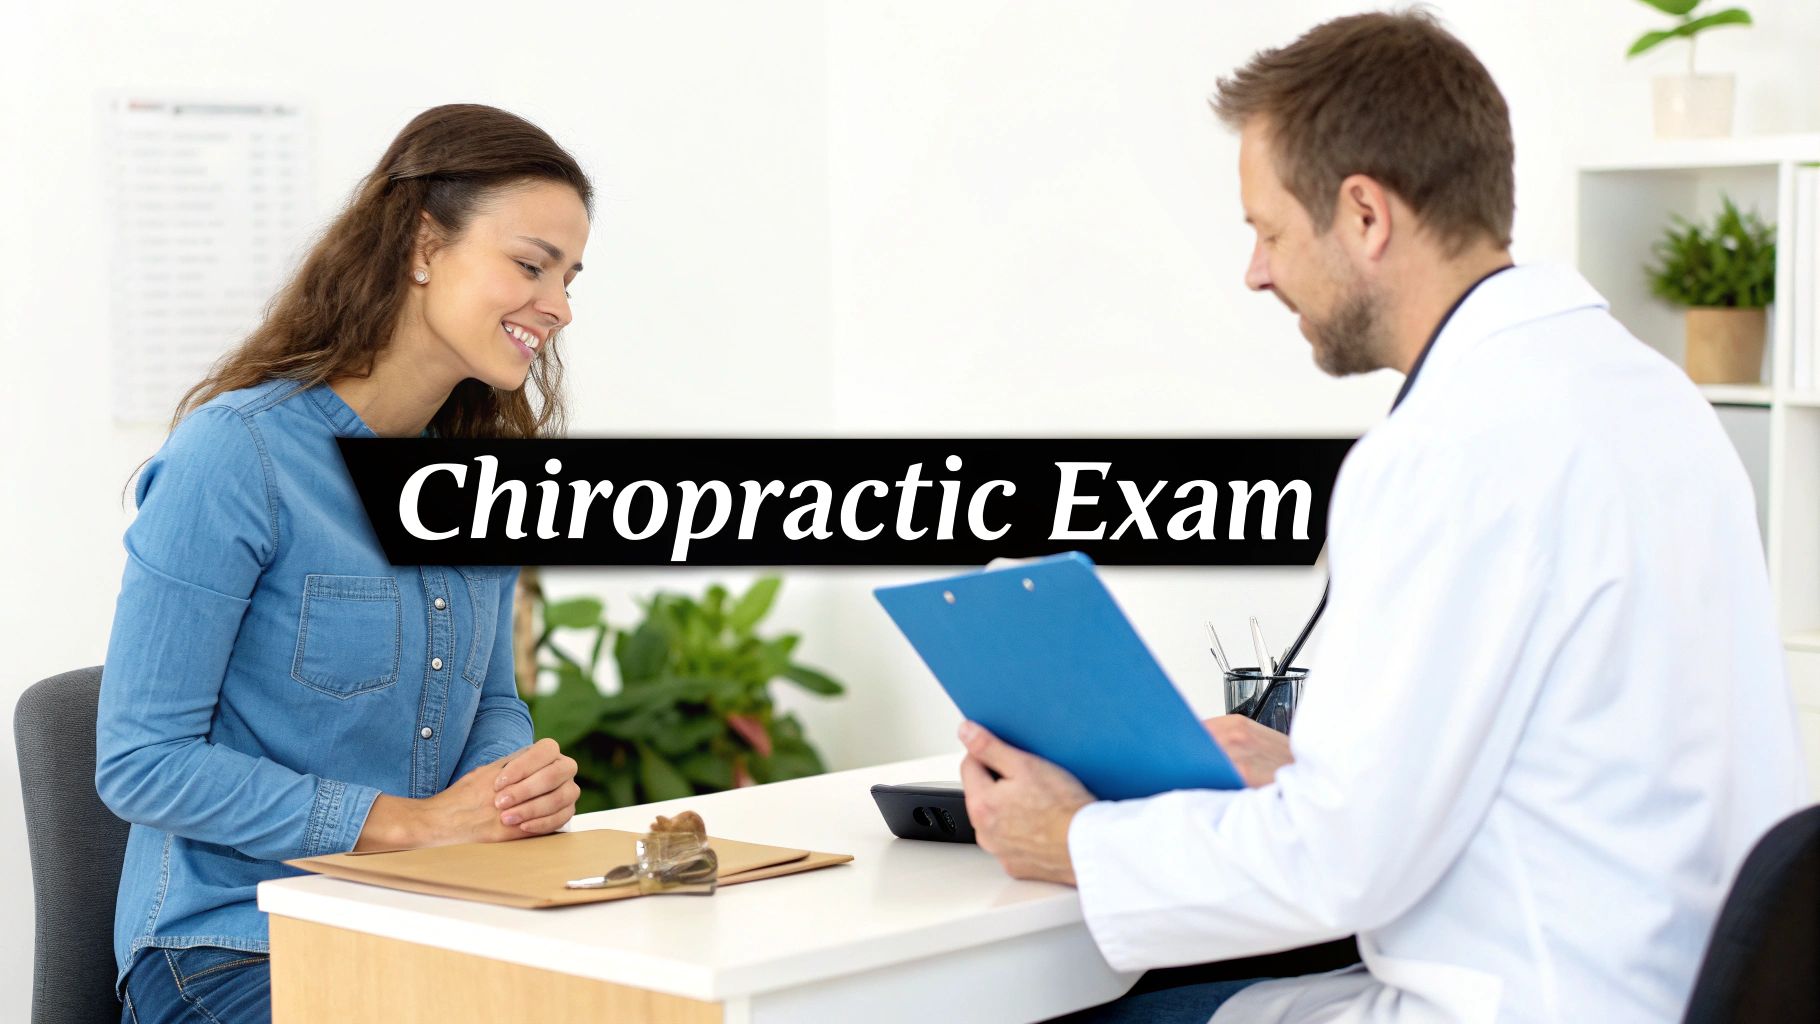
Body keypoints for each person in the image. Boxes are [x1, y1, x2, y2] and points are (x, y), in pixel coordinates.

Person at [956, 12, 1807, 1023]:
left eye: (1266, 230)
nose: (1255, 272)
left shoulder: (1447, 448)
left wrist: (1072, 842)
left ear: (1363, 214)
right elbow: (1570, 742)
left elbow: (1338, 864)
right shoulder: (1660, 401)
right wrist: (1312, 768)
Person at [96, 103, 591, 1024]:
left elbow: (489, 703)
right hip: (229, 952)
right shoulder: (236, 456)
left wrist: (507, 787)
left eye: (569, 276)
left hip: (422, 926)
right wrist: (411, 825)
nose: (558, 306)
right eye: (530, 265)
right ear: (421, 245)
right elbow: (140, 761)